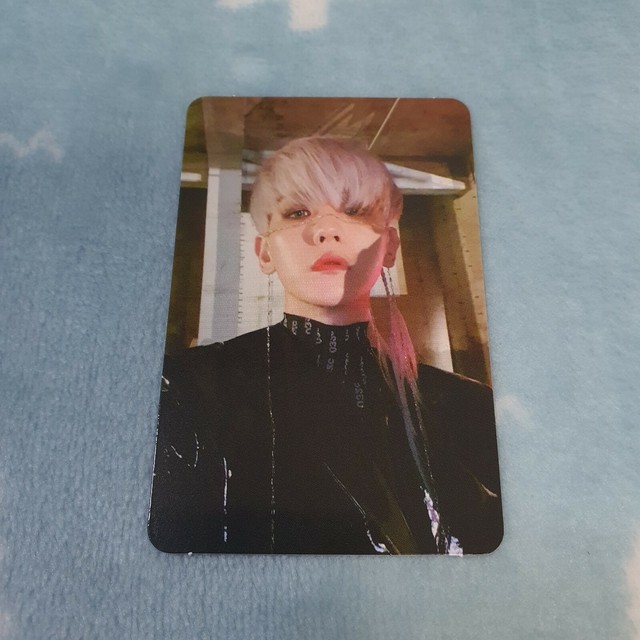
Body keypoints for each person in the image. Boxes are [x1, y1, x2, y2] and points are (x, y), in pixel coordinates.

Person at [148, 137, 502, 555]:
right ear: (265, 252)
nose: (326, 230)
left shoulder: (470, 409)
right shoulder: (187, 391)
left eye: (354, 210)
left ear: (389, 246)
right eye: (298, 212)